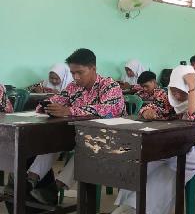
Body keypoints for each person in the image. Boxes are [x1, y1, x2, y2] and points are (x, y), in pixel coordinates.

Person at [100, 65, 195, 214]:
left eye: (180, 91)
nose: (176, 95)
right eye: (173, 90)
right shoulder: (170, 98)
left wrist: (191, 88)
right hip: (173, 145)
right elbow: (148, 107)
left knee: (171, 168)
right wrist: (147, 112)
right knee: (145, 162)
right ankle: (126, 207)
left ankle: (134, 209)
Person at [27, 49, 125, 205]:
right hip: (78, 134)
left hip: (110, 138)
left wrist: (69, 111)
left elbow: (108, 110)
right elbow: (57, 100)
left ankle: (55, 188)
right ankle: (30, 180)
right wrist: (47, 107)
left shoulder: (109, 86)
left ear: (93, 68)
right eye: (72, 73)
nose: (76, 77)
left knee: (87, 145)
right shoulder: (73, 87)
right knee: (53, 139)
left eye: (80, 72)